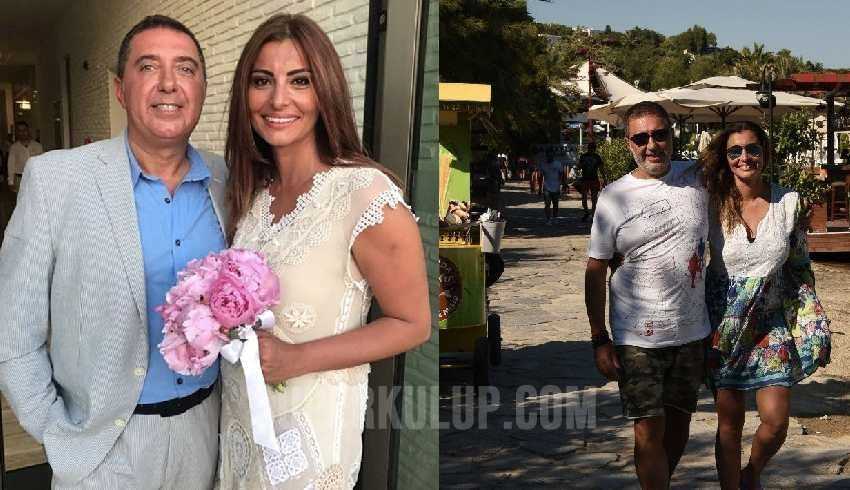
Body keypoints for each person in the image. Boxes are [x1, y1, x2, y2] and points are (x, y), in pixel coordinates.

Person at [0, 16, 226, 488]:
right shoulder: (56, 180)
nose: (169, 83)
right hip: (103, 449)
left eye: (186, 68)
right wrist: (55, 433)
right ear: (121, 90)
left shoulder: (229, 181)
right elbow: (13, 330)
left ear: (202, 89)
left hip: (205, 433)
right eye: (148, 66)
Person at [217, 14, 431, 489]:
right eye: (262, 81)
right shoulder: (250, 196)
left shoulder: (364, 194)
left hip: (309, 443)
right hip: (239, 433)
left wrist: (298, 358)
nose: (278, 99)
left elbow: (412, 323)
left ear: (325, 91)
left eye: (300, 81)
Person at [585, 101, 710, 490]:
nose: (651, 144)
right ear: (629, 143)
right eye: (641, 138)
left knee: (680, 423)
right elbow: (595, 269)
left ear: (672, 135)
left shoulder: (697, 177)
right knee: (648, 428)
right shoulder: (613, 196)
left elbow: (742, 159)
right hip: (637, 336)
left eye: (659, 134)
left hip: (692, 332)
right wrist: (599, 338)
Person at [701, 122, 831, 490]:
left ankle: (751, 473)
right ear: (726, 158)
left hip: (769, 323)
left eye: (752, 149)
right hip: (723, 325)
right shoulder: (710, 202)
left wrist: (811, 318)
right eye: (735, 151)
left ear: (765, 153)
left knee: (776, 422)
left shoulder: (788, 203)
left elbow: (800, 265)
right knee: (730, 424)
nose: (744, 157)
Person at [6, 120, 44, 190]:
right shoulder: (14, 147)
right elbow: (11, 165)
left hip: (34, 178)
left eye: (24, 130)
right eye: (20, 131)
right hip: (20, 179)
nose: (22, 133)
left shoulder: (38, 146)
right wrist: (11, 181)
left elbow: (42, 163)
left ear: (28, 131)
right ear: (17, 132)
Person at [576, 141, 603, 221]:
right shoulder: (583, 156)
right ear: (588, 148)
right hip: (585, 179)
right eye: (590, 148)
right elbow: (578, 167)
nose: (591, 150)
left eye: (592, 148)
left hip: (594, 179)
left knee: (594, 199)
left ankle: (593, 215)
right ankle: (586, 212)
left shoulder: (597, 157)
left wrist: (604, 178)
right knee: (584, 198)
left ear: (594, 149)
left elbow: (601, 168)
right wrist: (581, 164)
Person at [539, 149, 563, 225]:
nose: (550, 156)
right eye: (548, 155)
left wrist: (561, 184)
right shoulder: (543, 164)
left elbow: (561, 174)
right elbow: (540, 177)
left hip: (556, 187)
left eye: (551, 155)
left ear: (553, 155)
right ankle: (548, 219)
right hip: (546, 187)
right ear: (546, 155)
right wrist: (540, 188)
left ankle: (555, 218)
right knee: (547, 204)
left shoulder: (558, 164)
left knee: (555, 204)